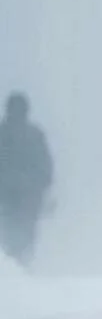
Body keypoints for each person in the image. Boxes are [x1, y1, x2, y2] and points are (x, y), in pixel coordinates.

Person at [0, 92, 54, 267]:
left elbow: (45, 167)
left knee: (9, 229)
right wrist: (43, 186)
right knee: (25, 230)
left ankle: (12, 266)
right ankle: (21, 264)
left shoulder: (4, 132)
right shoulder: (35, 134)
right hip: (27, 195)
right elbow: (46, 166)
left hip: (8, 194)